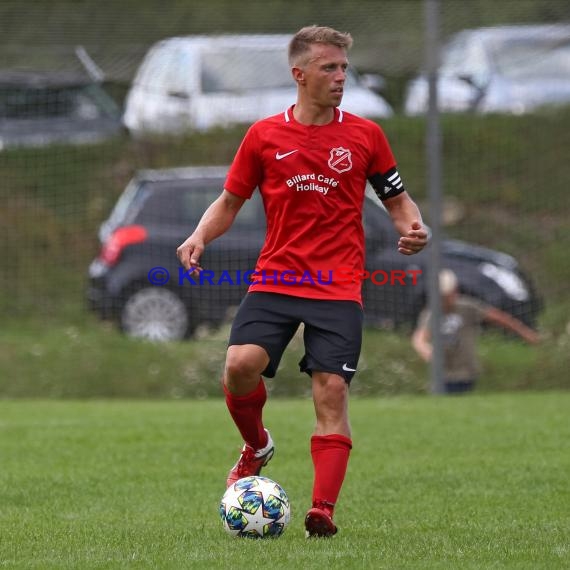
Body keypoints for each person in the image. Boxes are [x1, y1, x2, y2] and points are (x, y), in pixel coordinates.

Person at [177, 25, 428, 537]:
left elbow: (398, 200)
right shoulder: (264, 135)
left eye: (343, 68)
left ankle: (322, 511)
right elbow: (230, 201)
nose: (340, 77)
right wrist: (200, 234)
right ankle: (257, 446)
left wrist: (413, 228)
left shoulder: (365, 135)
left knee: (331, 389)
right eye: (329, 68)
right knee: (240, 366)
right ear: (300, 74)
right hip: (277, 276)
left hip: (338, 285)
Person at [411, 269, 540, 394]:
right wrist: (425, 349)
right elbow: (420, 337)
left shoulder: (467, 308)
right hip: (443, 374)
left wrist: (525, 333)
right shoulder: (431, 313)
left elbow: (499, 318)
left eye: (448, 295)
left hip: (465, 373)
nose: (446, 300)